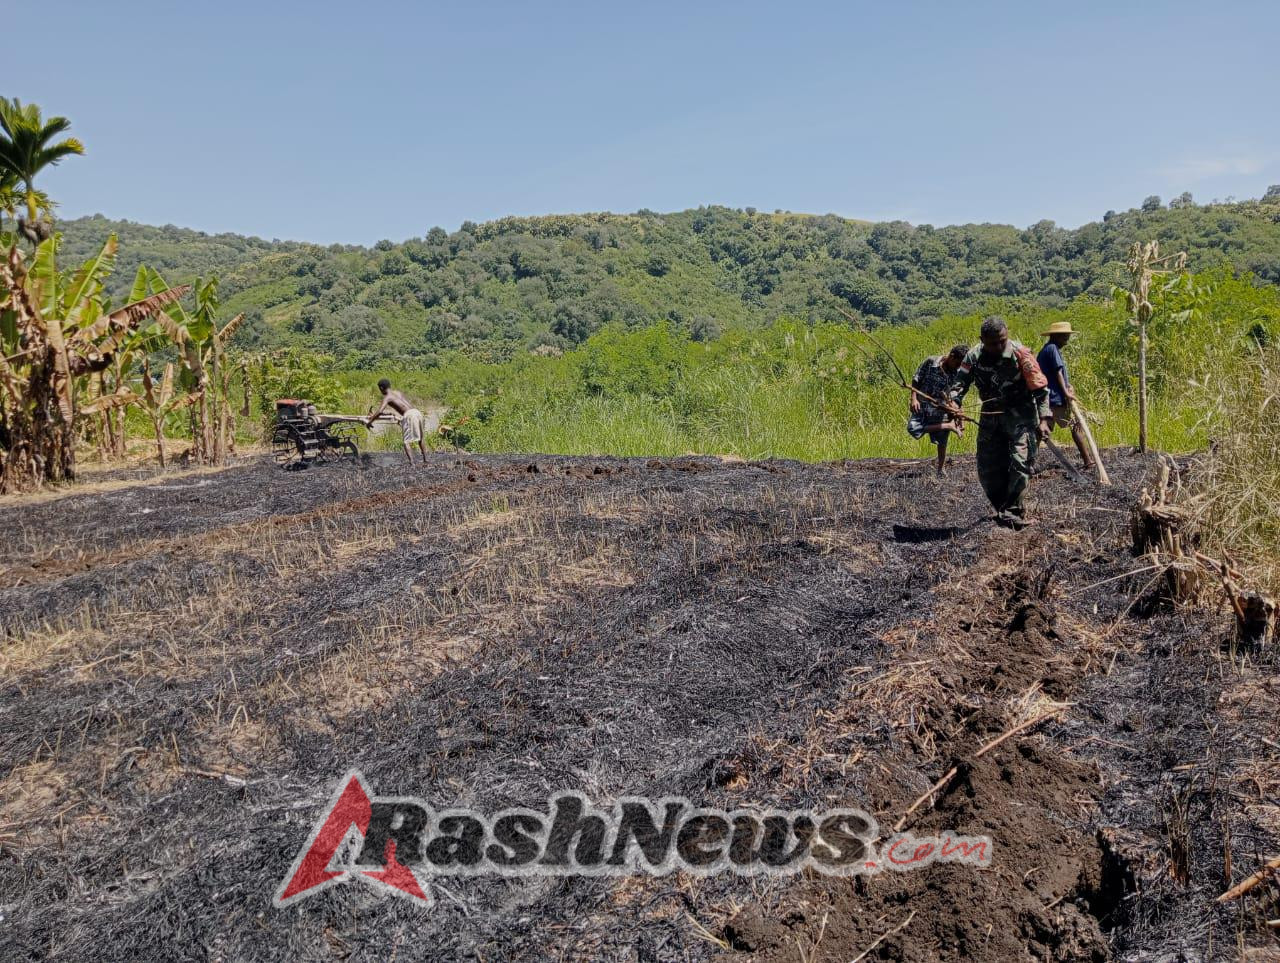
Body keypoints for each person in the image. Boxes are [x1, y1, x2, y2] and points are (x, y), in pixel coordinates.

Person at [946, 316, 1053, 529]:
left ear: (1007, 335)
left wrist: (1044, 419)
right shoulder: (973, 356)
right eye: (993, 343)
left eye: (1002, 341)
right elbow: (959, 385)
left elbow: (1040, 390)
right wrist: (954, 404)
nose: (998, 346)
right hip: (991, 417)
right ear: (982, 340)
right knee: (987, 467)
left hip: (1021, 416)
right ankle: (1002, 507)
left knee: (1020, 461)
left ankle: (1013, 510)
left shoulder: (1021, 354)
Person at [1036, 322, 1095, 473]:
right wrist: (1066, 392)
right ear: (1057, 336)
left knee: (1044, 428)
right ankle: (1088, 461)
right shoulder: (1052, 349)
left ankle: (1028, 463)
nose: (1067, 340)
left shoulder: (1048, 349)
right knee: (1075, 425)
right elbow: (1058, 372)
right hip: (1054, 398)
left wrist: (1068, 387)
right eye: (1065, 337)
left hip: (1051, 397)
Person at [908, 345, 968, 475]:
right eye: (957, 363)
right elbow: (916, 378)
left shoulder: (957, 374)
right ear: (951, 356)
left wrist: (958, 413)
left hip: (941, 408)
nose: (958, 367)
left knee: (942, 441)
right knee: (913, 428)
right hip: (922, 405)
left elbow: (955, 395)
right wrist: (914, 399)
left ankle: (941, 469)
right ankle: (948, 425)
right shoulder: (931, 362)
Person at [366, 378, 431, 466]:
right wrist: (375, 415)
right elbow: (401, 406)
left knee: (406, 441)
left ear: (381, 388)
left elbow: (380, 411)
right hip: (416, 412)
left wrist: (370, 421)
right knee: (421, 438)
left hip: (409, 415)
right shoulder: (398, 392)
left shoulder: (387, 397)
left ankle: (412, 463)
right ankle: (426, 460)